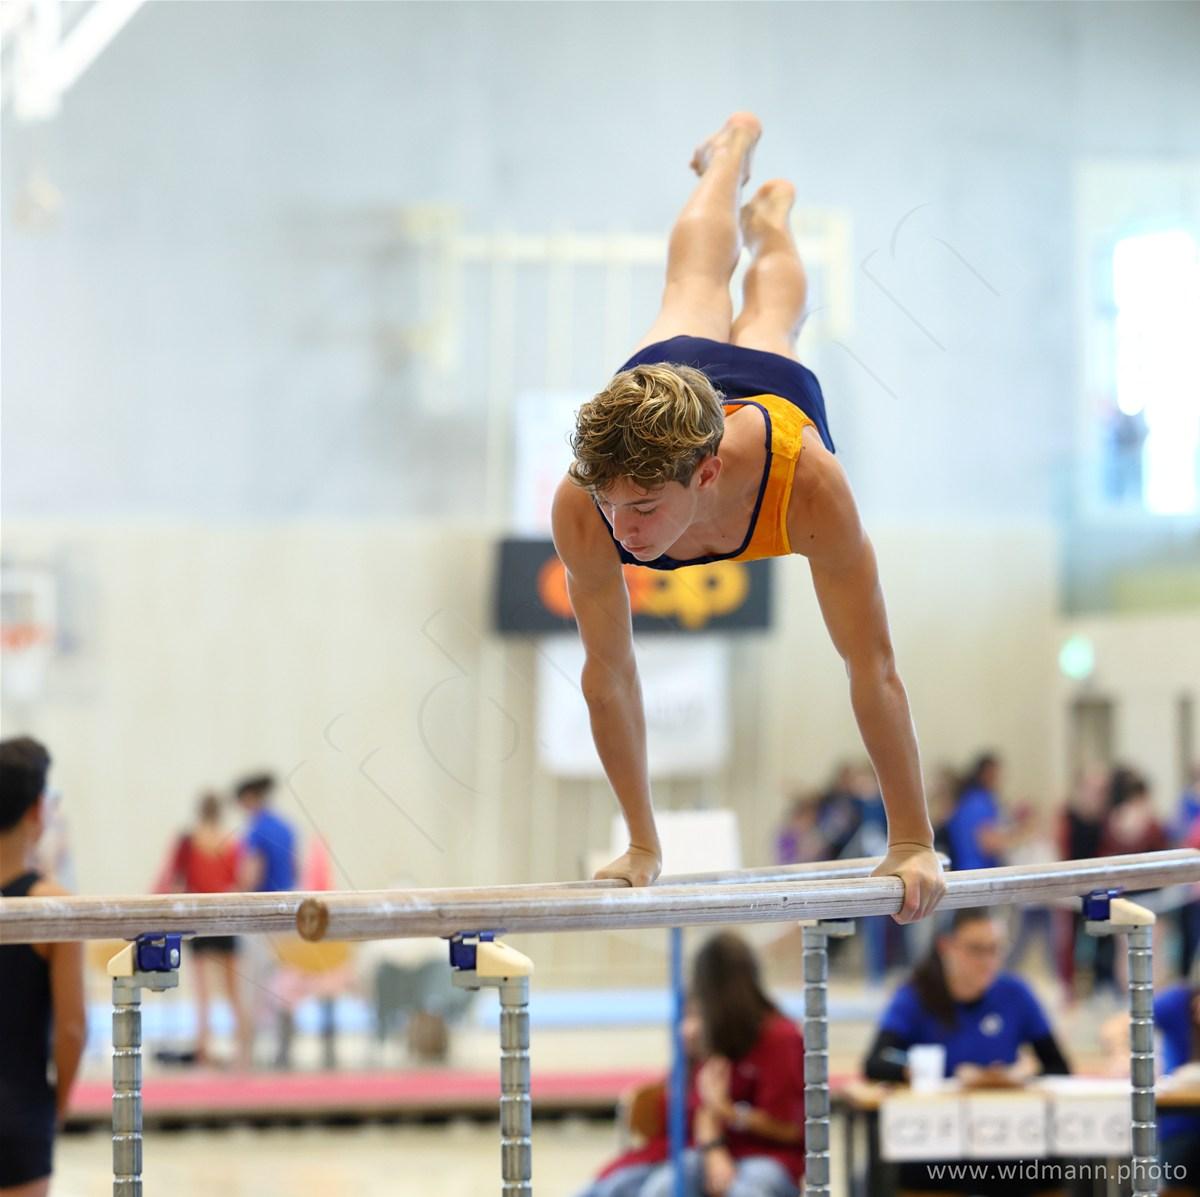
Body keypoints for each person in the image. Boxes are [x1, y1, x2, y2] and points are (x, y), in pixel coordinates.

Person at [551, 111, 944, 922]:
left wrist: (911, 836)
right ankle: (727, 159)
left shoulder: (809, 485)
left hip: (770, 396)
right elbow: (608, 674)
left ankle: (770, 224)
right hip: (662, 390)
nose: (623, 529)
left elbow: (871, 664)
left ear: (706, 472)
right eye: (612, 504)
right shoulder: (585, 504)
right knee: (691, 284)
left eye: (644, 507)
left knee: (772, 319)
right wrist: (642, 842)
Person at [863, 907, 1070, 1197]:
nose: (987, 961)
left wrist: (1022, 1074)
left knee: (1051, 1166)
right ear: (946, 946)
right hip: (937, 1141)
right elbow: (876, 1062)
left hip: (1007, 1136)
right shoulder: (915, 995)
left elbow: (1059, 1067)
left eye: (995, 949)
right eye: (975, 950)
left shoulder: (1015, 993)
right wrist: (926, 1072)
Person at [639, 932, 804, 1197]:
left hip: (768, 1155)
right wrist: (713, 1147)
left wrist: (728, 1112)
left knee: (749, 1191)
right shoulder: (706, 1036)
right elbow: (696, 1111)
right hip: (707, 1148)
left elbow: (790, 1127)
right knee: (661, 1187)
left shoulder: (780, 1038)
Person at [0, 736, 86, 1197]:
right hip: (18, 1109)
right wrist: (58, 1108)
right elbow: (71, 1029)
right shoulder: (53, 908)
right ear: (38, 809)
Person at [156, 791, 250, 1068]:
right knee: (233, 990)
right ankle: (243, 1049)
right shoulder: (230, 842)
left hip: (198, 916)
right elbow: (239, 881)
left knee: (202, 990)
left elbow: (175, 880)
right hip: (225, 915)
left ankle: (203, 1048)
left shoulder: (189, 841)